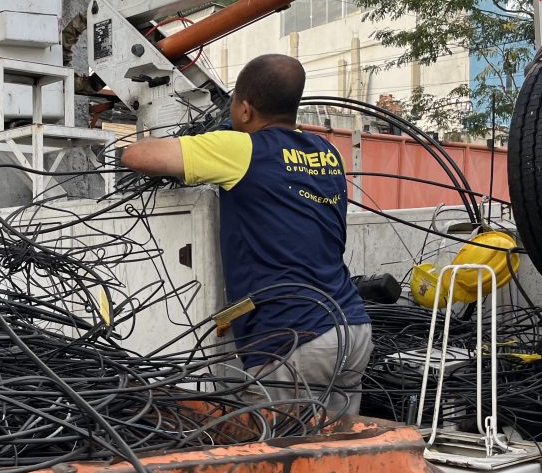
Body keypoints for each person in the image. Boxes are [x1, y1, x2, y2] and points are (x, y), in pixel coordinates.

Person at [120, 53, 372, 415]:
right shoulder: (328, 153)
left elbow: (138, 156)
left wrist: (217, 135)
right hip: (350, 327)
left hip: (293, 335)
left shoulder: (242, 149)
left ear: (245, 110)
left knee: (275, 458)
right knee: (339, 458)